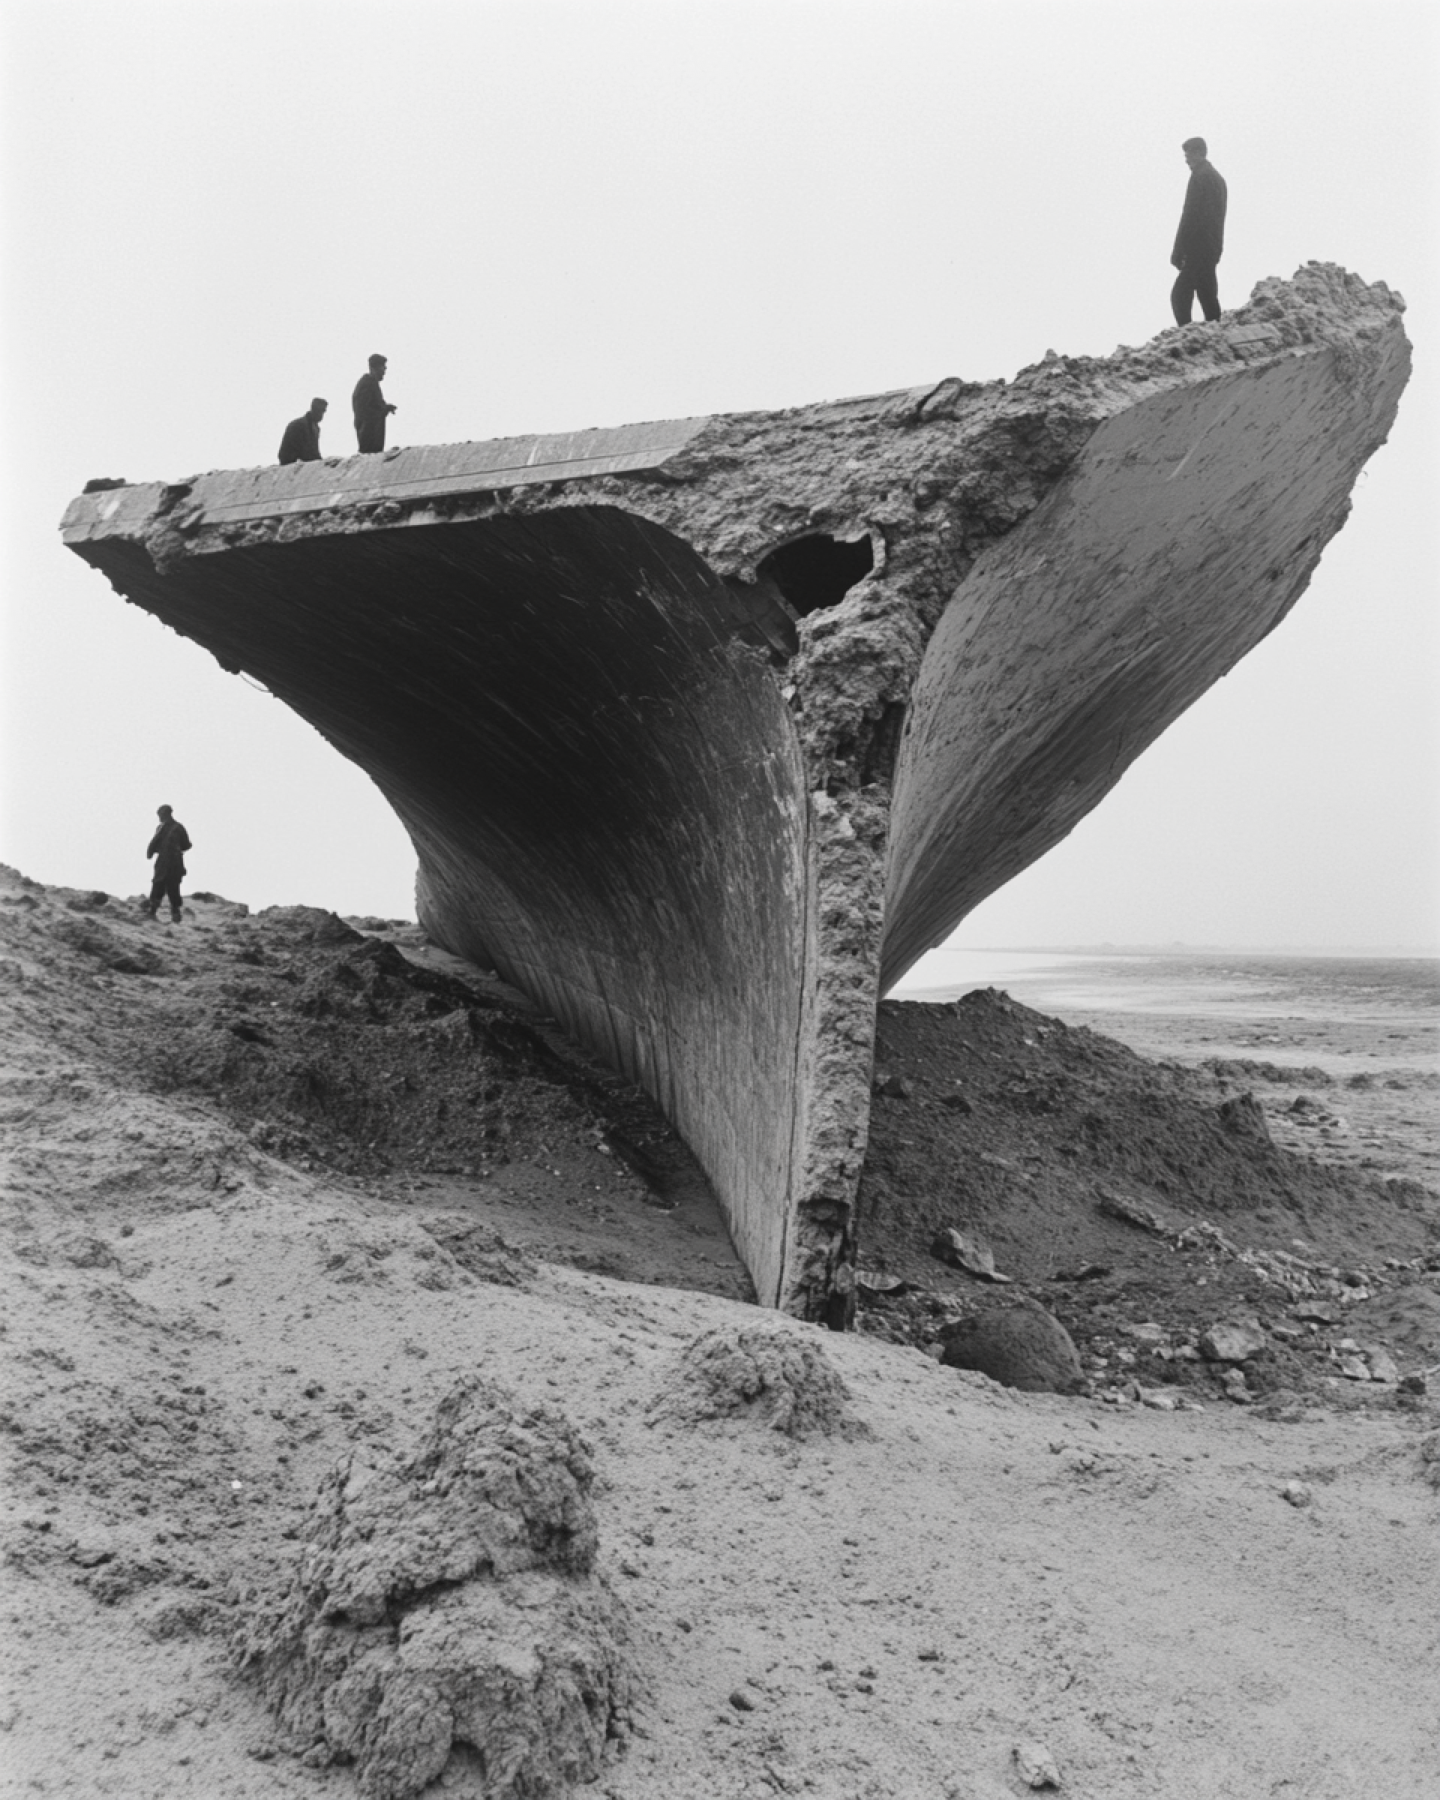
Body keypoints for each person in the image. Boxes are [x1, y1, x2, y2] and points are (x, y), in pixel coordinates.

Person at [1170, 137, 1227, 326]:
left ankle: (1186, 336)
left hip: (1198, 247)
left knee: (1179, 295)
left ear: (1199, 153)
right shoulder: (1218, 178)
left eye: (1188, 155)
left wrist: (1178, 250)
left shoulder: (1200, 177)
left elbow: (1190, 215)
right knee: (1207, 294)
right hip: (1212, 247)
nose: (1186, 160)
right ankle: (1215, 334)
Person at [144, 804, 192, 923]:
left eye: (160, 814)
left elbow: (186, 845)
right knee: (158, 886)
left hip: (174, 863)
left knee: (173, 888)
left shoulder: (178, 828)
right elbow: (154, 843)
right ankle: (152, 911)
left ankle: (175, 915)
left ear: (166, 814)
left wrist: (174, 849)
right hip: (163, 862)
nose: (159, 817)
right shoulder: (161, 828)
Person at [352, 354, 397, 453]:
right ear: (374, 368)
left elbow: (375, 406)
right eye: (382, 366)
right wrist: (383, 410)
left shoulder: (372, 384)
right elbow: (365, 411)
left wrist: (386, 408)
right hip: (368, 438)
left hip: (372, 438)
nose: (385, 369)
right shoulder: (367, 383)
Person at [278, 397, 328, 465]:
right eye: (319, 411)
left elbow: (314, 452)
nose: (321, 415)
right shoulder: (298, 425)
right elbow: (303, 451)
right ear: (313, 409)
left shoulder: (316, 428)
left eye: (323, 411)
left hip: (304, 462)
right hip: (290, 463)